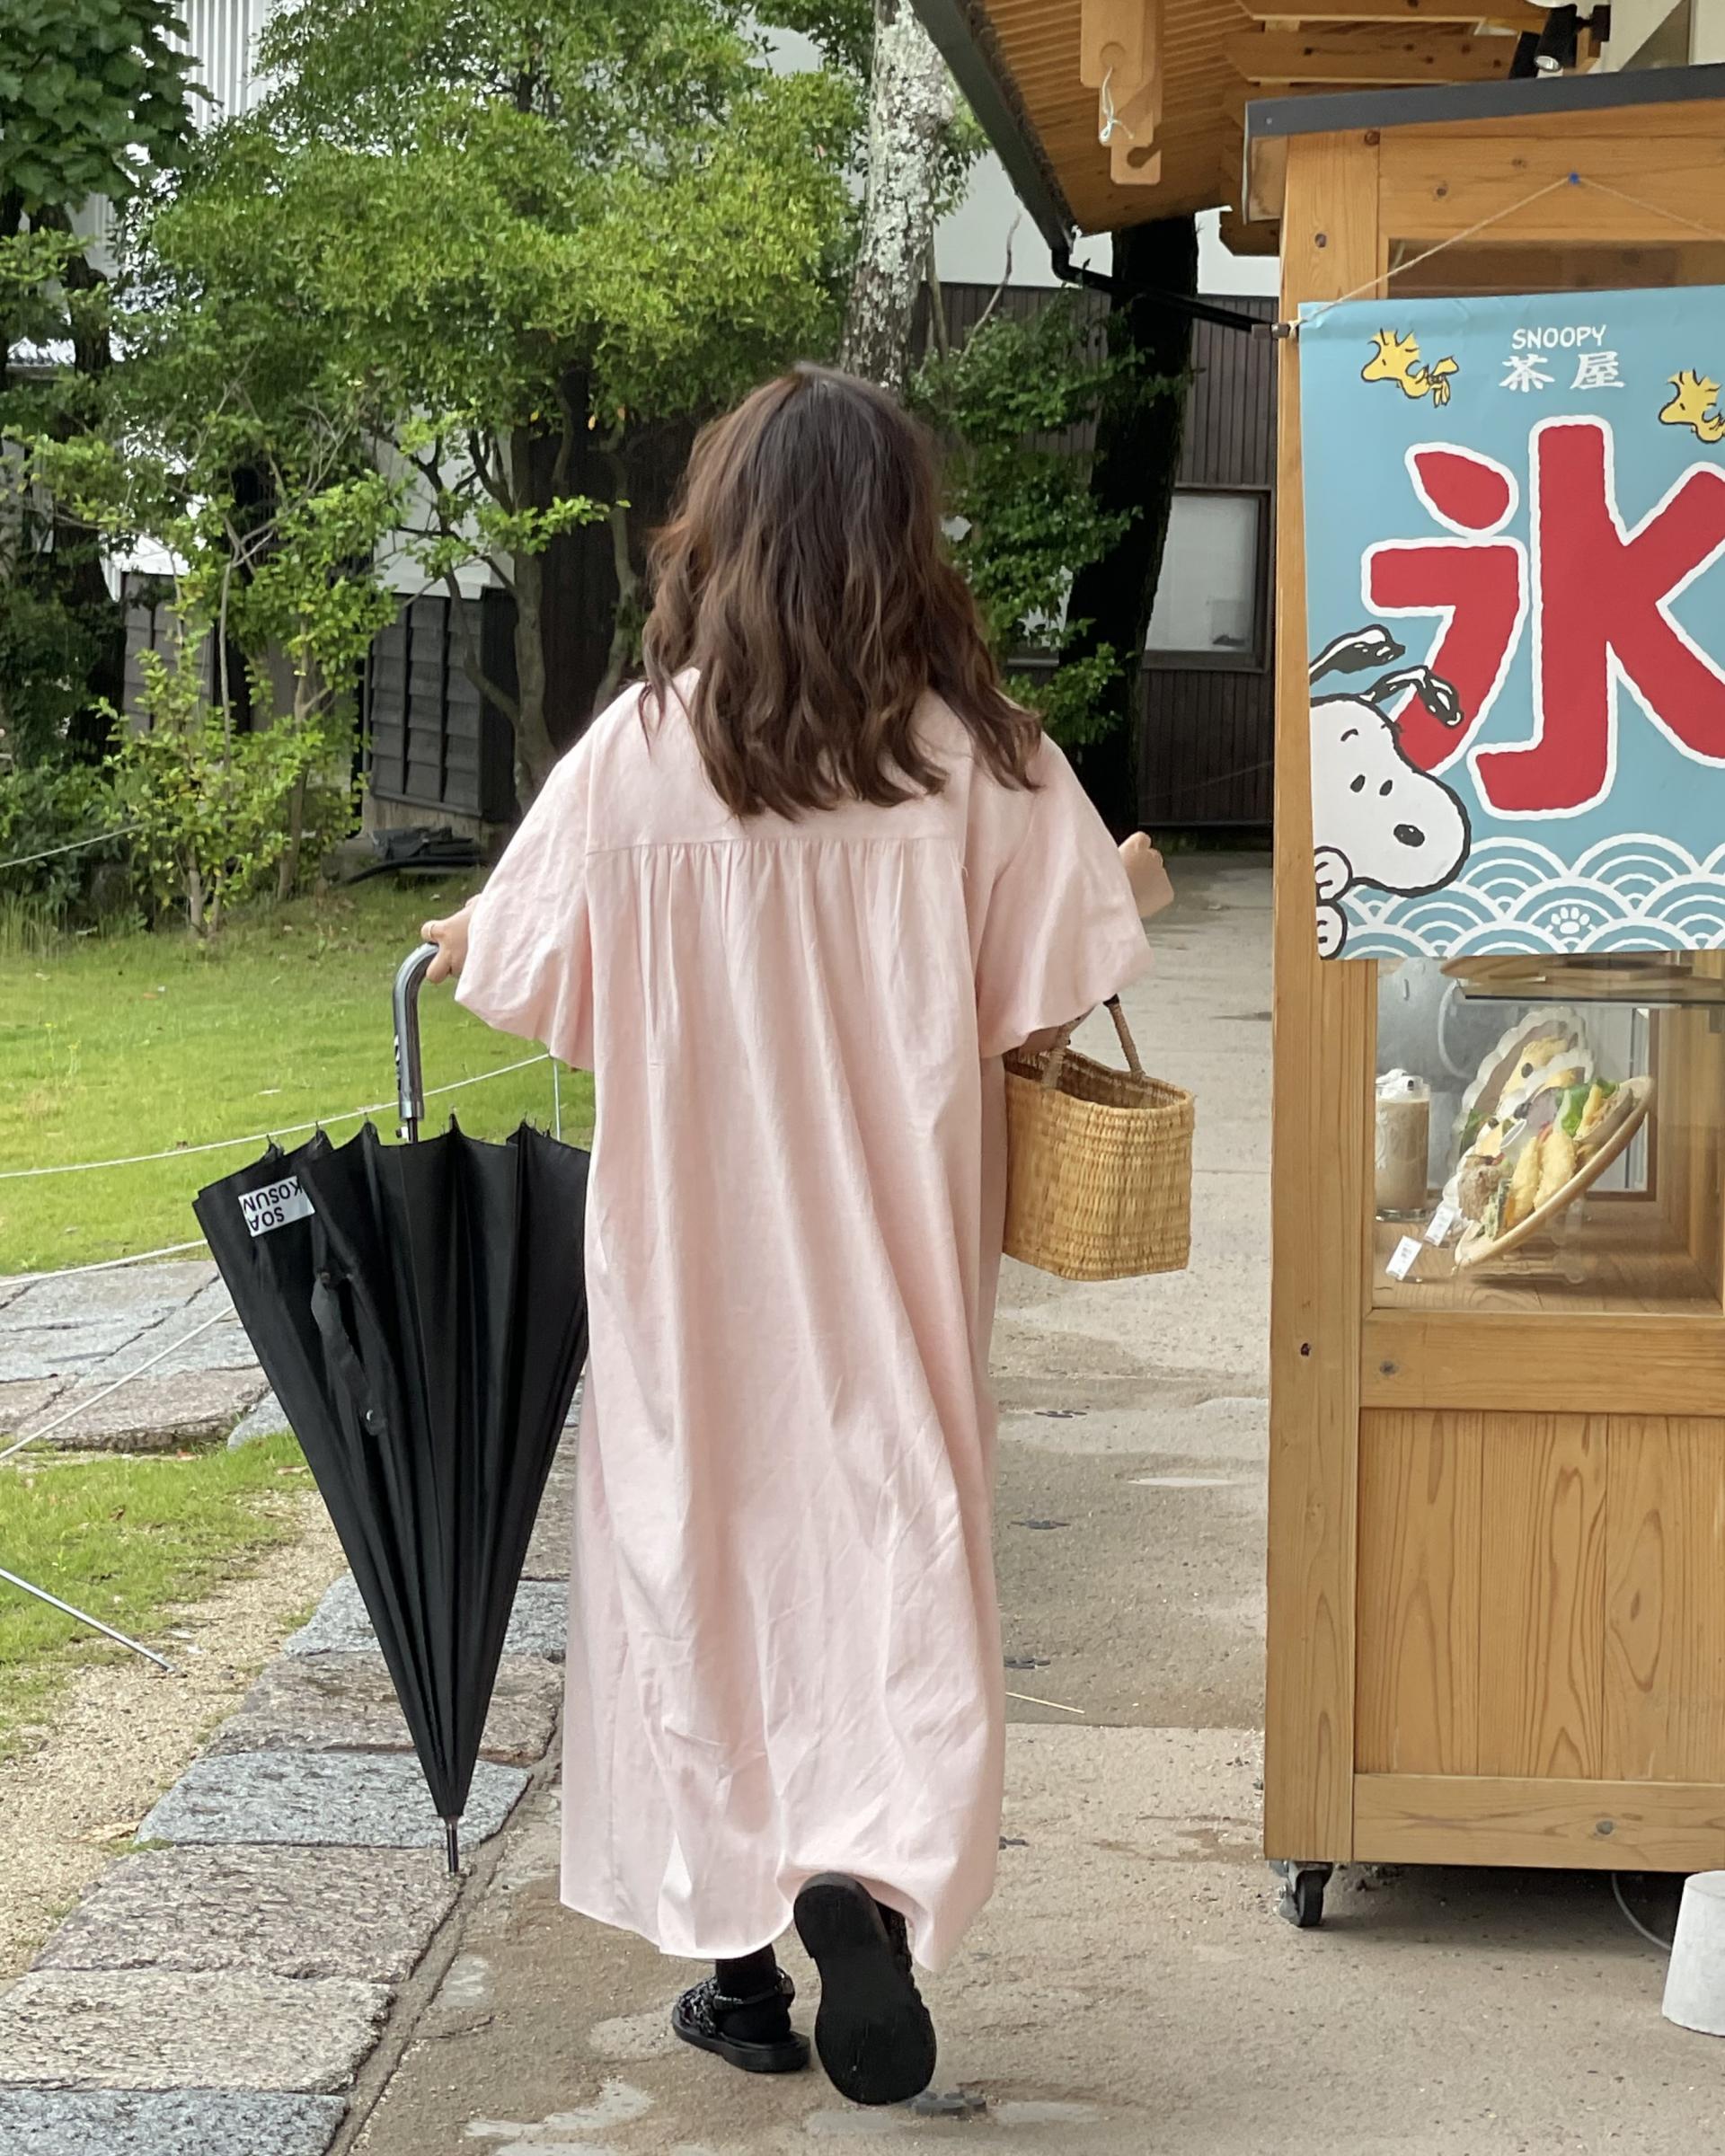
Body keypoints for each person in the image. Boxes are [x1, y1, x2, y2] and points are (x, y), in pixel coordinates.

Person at [421, 365, 1171, 2109]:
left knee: (695, 1572)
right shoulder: (981, 759)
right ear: (905, 538)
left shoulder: (639, 755)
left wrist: (474, 938)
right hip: (894, 1262)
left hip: (691, 1276)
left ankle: (741, 1976)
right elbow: (1051, 986)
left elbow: (533, 971)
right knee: (896, 1553)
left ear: (726, 535)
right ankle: (871, 1880)